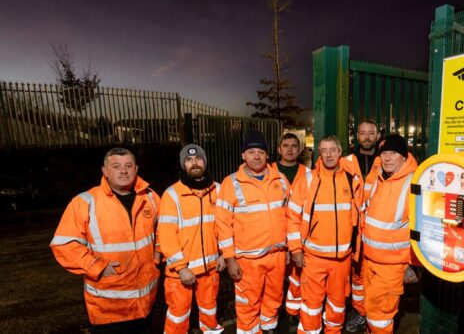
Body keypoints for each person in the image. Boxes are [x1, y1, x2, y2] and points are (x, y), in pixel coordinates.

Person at [50, 147, 161, 333]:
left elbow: (163, 231)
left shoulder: (150, 197)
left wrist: (157, 255)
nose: (123, 171)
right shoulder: (85, 202)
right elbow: (64, 244)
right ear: (105, 171)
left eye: (128, 165)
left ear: (136, 169)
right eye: (116, 166)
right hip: (108, 309)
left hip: (146, 304)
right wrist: (96, 266)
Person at [216, 130, 290, 334]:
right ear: (243, 155)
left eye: (260, 151)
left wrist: (290, 248)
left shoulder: (280, 179)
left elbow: (290, 216)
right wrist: (230, 258)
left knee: (274, 298)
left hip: (277, 255)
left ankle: (268, 328)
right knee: (248, 303)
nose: (256, 156)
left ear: (267, 155)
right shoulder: (230, 183)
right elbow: (222, 224)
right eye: (251, 152)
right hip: (247, 260)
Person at [287, 135, 363, 334]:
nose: (328, 155)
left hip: (342, 259)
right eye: (323, 151)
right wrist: (296, 250)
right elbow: (292, 217)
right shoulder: (308, 180)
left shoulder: (351, 178)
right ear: (319, 153)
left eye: (332, 150)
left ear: (340, 152)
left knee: (338, 305)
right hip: (313, 258)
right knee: (311, 305)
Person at [158, 144, 226, 334]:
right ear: (183, 165)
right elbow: (166, 235)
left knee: (209, 313)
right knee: (178, 317)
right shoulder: (172, 195)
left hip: (211, 268)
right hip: (182, 273)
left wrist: (224, 254)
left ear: (205, 161)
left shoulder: (218, 190)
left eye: (198, 159)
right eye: (189, 160)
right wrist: (181, 267)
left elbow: (226, 226)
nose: (194, 163)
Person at [361, 134, 418, 333]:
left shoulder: (415, 183)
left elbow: (421, 228)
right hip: (369, 260)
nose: (387, 158)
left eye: (392, 153)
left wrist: (412, 264)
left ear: (404, 156)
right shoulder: (379, 178)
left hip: (392, 265)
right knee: (370, 309)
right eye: (383, 153)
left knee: (379, 315)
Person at [272, 133, 311, 319]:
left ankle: (294, 314)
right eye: (285, 145)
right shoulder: (268, 171)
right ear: (279, 149)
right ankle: (275, 315)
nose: (289, 149)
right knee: (275, 280)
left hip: (299, 235)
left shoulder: (308, 173)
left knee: (298, 278)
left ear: (300, 149)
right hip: (275, 235)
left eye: (294, 146)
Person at [347, 118, 380, 332]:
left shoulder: (387, 158)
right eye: (362, 133)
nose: (366, 137)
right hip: (354, 229)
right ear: (356, 136)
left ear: (377, 135)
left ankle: (375, 317)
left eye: (371, 133)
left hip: (378, 230)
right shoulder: (347, 161)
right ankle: (360, 312)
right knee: (357, 276)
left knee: (376, 278)